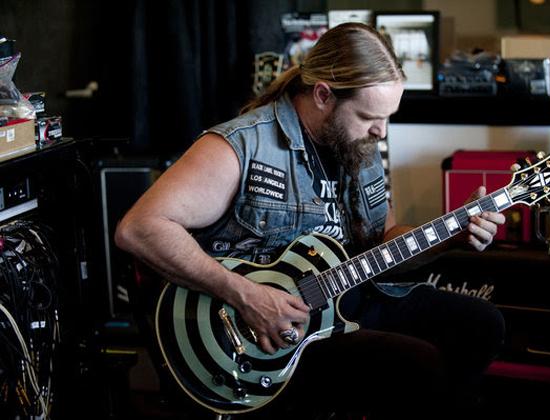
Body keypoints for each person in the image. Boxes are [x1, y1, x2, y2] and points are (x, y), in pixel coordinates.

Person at [115, 22, 506, 419]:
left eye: (387, 117)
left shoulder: (359, 144)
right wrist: (247, 296)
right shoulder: (242, 144)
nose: (381, 131)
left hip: (348, 302)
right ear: (323, 95)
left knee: (481, 324)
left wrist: (449, 236)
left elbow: (384, 243)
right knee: (416, 366)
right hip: (266, 331)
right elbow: (139, 228)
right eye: (369, 116)